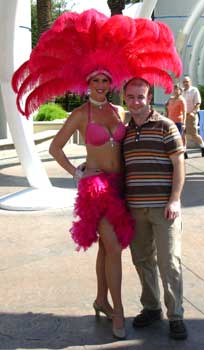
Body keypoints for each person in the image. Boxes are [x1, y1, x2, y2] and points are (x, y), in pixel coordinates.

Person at [11, 9, 182, 340]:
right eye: (95, 81)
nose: (101, 85)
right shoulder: (80, 114)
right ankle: (118, 312)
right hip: (97, 189)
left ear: (111, 82)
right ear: (86, 82)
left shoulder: (121, 113)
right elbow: (55, 148)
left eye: (106, 80)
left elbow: (143, 133)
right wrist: (76, 172)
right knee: (115, 247)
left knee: (107, 249)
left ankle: (101, 299)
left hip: (123, 189)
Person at [123, 77, 188, 340]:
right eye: (131, 97)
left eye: (141, 96)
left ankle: (176, 315)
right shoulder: (123, 131)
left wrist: (175, 198)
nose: (136, 101)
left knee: (169, 261)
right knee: (142, 260)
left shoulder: (165, 126)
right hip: (135, 209)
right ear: (124, 98)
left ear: (149, 97)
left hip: (164, 209)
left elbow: (179, 164)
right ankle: (152, 308)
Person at [182, 76, 204, 158]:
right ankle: (184, 152)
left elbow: (198, 103)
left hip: (192, 115)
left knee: (194, 134)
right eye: (184, 82)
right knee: (182, 134)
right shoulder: (182, 91)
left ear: (190, 82)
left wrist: (193, 112)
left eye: (187, 81)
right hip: (183, 116)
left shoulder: (194, 90)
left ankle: (202, 147)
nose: (185, 83)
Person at [165, 84, 187, 157]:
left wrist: (183, 123)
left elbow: (184, 112)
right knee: (170, 137)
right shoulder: (170, 99)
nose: (175, 91)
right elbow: (167, 109)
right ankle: (174, 152)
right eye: (174, 89)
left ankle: (182, 152)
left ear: (180, 91)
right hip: (170, 121)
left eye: (177, 89)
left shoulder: (181, 100)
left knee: (178, 137)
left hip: (178, 122)